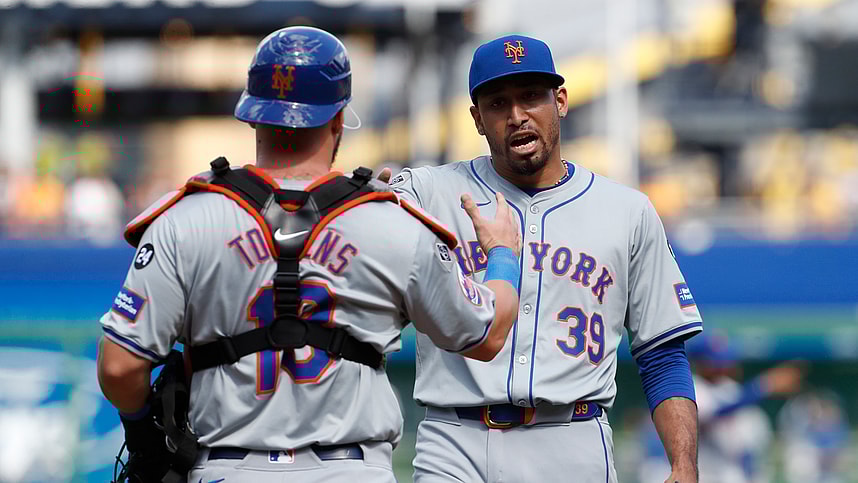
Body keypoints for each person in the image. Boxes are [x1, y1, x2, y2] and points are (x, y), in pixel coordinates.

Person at [96, 26, 522, 483]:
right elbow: (487, 335)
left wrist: (145, 432)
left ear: (251, 115)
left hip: (227, 468)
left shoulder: (186, 218)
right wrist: (501, 255)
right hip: (351, 470)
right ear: (339, 118)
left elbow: (120, 367)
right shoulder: (393, 222)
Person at [389, 34, 704, 483]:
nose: (517, 116)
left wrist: (683, 464)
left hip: (571, 436)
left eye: (531, 97)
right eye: (498, 104)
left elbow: (662, 352)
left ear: (560, 100)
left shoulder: (627, 210)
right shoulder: (428, 193)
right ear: (477, 119)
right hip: (454, 438)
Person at [635, 332, 805, 483]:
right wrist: (764, 386)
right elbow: (717, 412)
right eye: (717, 360)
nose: (724, 365)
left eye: (726, 358)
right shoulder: (692, 388)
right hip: (705, 475)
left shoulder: (730, 388)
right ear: (701, 362)